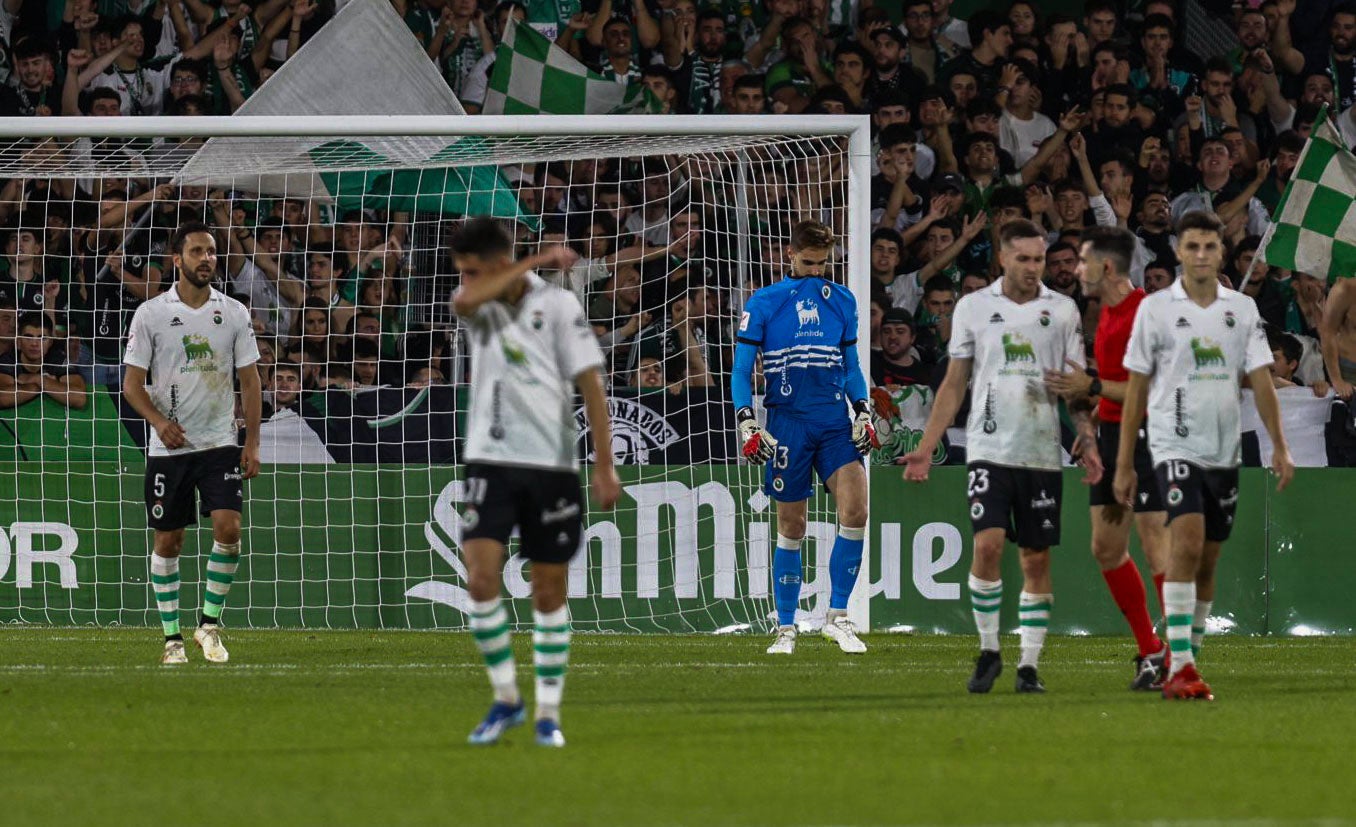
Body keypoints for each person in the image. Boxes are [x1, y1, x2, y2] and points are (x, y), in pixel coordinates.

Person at [903, 218, 1101, 694]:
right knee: (987, 546)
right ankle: (989, 649)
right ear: (1003, 258)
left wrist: (1088, 437)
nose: (1035, 268)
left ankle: (1029, 665)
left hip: (1040, 451)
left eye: (1041, 259)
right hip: (989, 448)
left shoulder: (1064, 310)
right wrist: (925, 448)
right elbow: (954, 382)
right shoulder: (974, 307)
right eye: (1025, 259)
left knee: (1035, 561)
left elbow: (1075, 386)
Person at [449, 217, 621, 748]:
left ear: (497, 262)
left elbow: (590, 385)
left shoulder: (561, 306)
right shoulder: (478, 302)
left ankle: (548, 712)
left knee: (549, 591)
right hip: (489, 460)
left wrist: (604, 462)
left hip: (550, 466)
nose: (466, 280)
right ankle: (506, 700)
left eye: (475, 270)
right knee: (480, 580)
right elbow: (464, 304)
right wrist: (535, 260)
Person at [1114, 210, 1294, 701]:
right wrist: (1127, 461)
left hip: (1224, 451)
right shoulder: (1154, 309)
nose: (1200, 255)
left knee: (1208, 560)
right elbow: (1135, 388)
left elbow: (1261, 381)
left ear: (1220, 251)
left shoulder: (1242, 310)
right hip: (1173, 444)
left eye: (1209, 247)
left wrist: (1279, 445)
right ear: (1178, 251)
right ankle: (1182, 668)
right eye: (1191, 246)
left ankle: (1186, 654)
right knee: (1187, 542)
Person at [121, 220, 262, 666]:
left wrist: (251, 441)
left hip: (220, 441)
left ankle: (208, 625)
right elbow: (131, 385)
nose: (207, 259)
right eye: (198, 252)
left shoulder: (234, 313)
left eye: (212, 252)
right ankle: (172, 639)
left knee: (230, 530)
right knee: (170, 542)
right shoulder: (151, 314)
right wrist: (159, 423)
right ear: (176, 259)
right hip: (170, 448)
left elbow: (251, 380)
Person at [732, 220, 876, 656]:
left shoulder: (843, 302)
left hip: (834, 422)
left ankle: (837, 617)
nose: (816, 271)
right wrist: (747, 421)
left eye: (823, 263)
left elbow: (850, 367)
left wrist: (863, 410)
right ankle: (787, 626)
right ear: (789, 255)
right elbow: (740, 371)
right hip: (787, 424)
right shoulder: (764, 303)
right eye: (808, 262)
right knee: (792, 525)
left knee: (856, 511)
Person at [1043, 226, 1169, 690]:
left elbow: (1153, 391)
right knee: (1106, 548)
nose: (1077, 269)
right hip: (1115, 434)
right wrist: (1092, 425)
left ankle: (1174, 655)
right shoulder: (1105, 315)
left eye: (1083, 261)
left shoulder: (1146, 315)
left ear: (1108, 267)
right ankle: (1151, 648)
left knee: (1156, 543)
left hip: (1150, 435)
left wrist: (1091, 386)